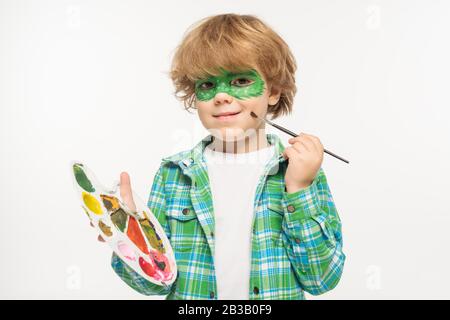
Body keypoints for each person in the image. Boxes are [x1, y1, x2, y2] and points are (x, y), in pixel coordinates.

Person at [96, 13, 345, 300]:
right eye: (207, 85)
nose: (221, 97)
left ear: (274, 91)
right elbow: (154, 284)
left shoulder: (300, 172)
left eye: (240, 80)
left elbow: (321, 280)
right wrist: (129, 236)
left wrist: (299, 190)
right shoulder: (174, 173)